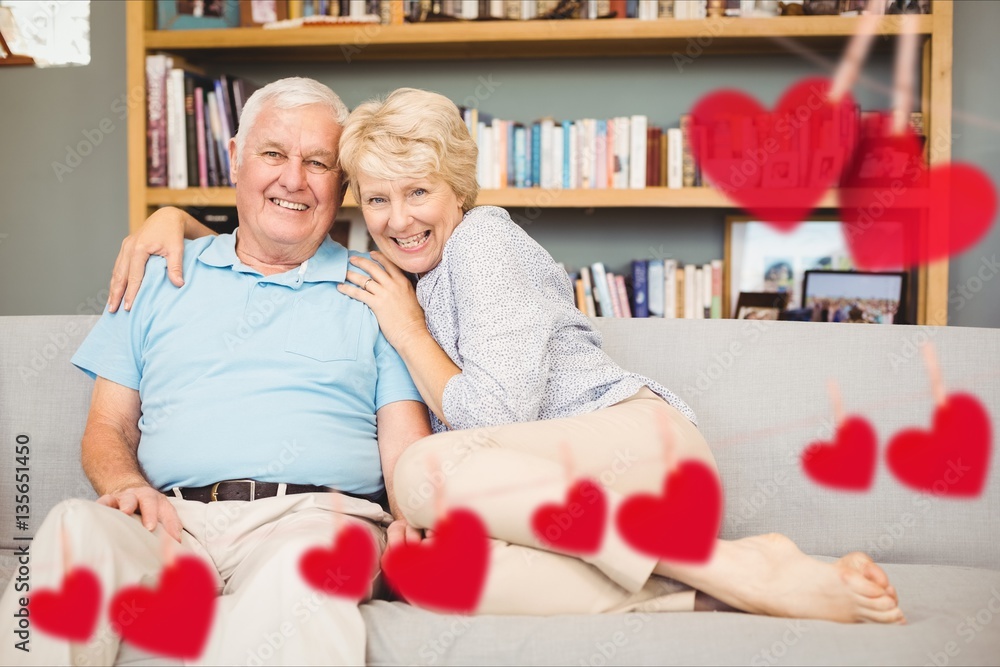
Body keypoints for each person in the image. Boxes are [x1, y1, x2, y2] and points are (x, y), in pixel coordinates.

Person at [109, 87, 904, 624]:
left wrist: (410, 334)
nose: (398, 219)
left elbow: (495, 417)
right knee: (425, 576)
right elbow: (261, 245)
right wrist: (177, 217)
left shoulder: (483, 242)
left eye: (418, 192)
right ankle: (709, 581)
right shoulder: (406, 274)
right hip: (563, 507)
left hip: (638, 452)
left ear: (457, 189)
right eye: (377, 199)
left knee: (422, 473)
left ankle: (733, 563)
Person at [0, 78, 430, 666]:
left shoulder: (378, 290)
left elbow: (404, 447)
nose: (293, 179)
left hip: (314, 522)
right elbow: (109, 424)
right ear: (234, 158)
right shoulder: (155, 274)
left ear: (343, 182)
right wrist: (124, 485)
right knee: (74, 529)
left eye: (318, 163)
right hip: (170, 523)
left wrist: (410, 522)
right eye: (273, 153)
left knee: (307, 575)